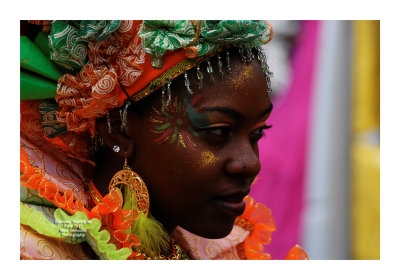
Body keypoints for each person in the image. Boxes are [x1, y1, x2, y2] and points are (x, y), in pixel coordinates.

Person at [20, 20, 308, 260]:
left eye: (257, 133)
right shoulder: (32, 253)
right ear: (117, 129)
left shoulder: (214, 253)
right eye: (218, 131)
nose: (250, 164)